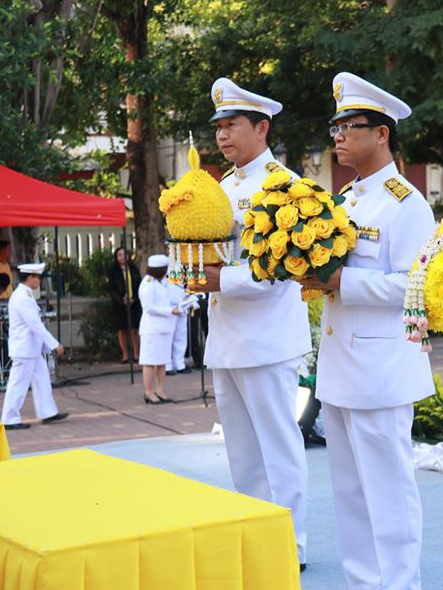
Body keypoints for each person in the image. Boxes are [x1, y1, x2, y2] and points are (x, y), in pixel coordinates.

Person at [298, 73, 435, 590]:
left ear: (382, 133)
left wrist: (341, 281)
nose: (338, 135)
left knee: (389, 494)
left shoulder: (406, 203)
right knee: (350, 495)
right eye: (335, 125)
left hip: (381, 370)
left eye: (349, 125)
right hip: (340, 366)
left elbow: (415, 287)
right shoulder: (346, 199)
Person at [187, 78, 312, 568]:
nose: (222, 135)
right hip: (228, 336)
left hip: (267, 337)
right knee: (241, 449)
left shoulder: (284, 186)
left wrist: (222, 281)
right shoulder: (223, 187)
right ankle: (258, 535)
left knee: (278, 445)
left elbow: (284, 269)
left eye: (232, 125)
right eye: (218, 126)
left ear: (262, 128)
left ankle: (291, 542)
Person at [0, 263, 69, 430]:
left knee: (42, 379)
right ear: (29, 277)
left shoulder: (26, 295)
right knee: (18, 384)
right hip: (24, 349)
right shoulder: (23, 297)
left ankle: (48, 412)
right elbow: (35, 325)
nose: (39, 280)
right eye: (37, 277)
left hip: (31, 348)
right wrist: (55, 344)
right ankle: (9, 418)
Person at [137, 254, 178, 404]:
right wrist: (170, 311)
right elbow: (149, 308)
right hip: (152, 329)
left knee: (162, 361)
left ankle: (160, 390)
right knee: (150, 362)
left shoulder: (161, 282)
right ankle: (148, 392)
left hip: (164, 327)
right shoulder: (148, 284)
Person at [108, 247, 141, 363]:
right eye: (119, 255)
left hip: (134, 303)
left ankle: (136, 354)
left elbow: (139, 286)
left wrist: (134, 298)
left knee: (134, 330)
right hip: (120, 305)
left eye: (124, 254)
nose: (122, 257)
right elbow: (112, 289)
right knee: (122, 330)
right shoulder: (113, 271)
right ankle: (125, 355)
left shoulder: (133, 269)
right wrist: (121, 300)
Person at [166, 279, 191, 374]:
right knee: (168, 337)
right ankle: (167, 366)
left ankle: (179, 364)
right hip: (169, 305)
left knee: (181, 336)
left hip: (182, 302)